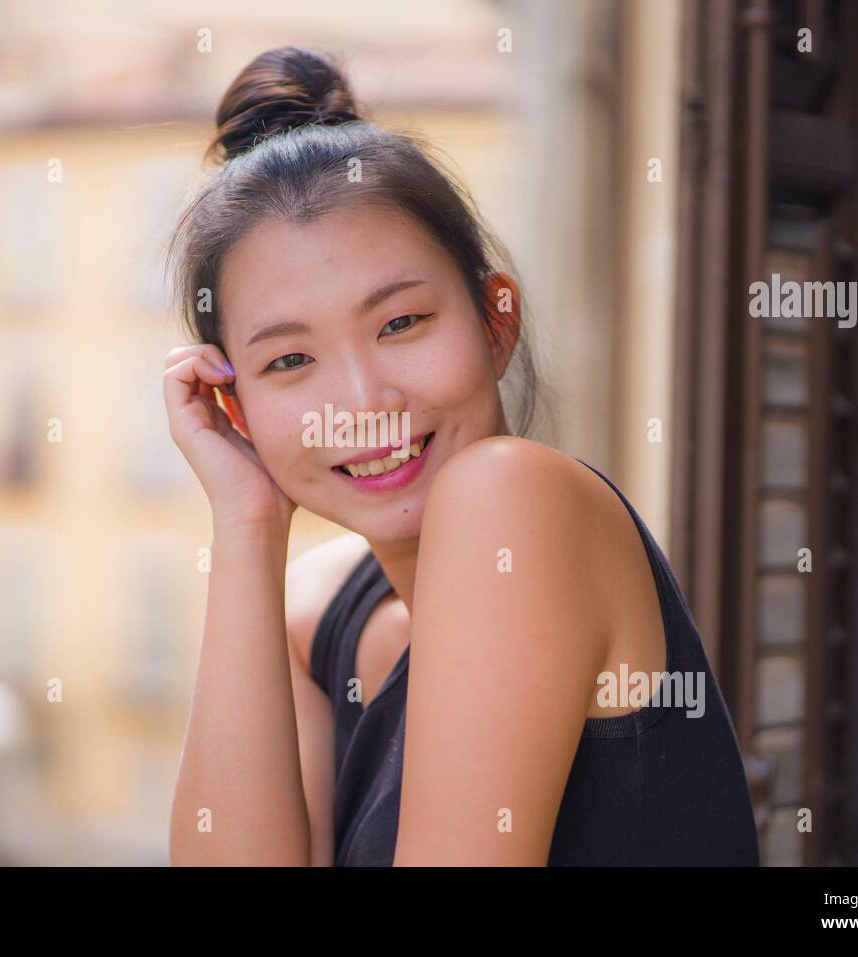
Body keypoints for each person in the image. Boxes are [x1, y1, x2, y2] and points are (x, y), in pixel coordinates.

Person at [163, 45, 759, 866]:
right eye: (290, 362)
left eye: (401, 323)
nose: (365, 405)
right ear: (236, 407)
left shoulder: (512, 496)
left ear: (495, 320)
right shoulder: (313, 619)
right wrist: (246, 519)